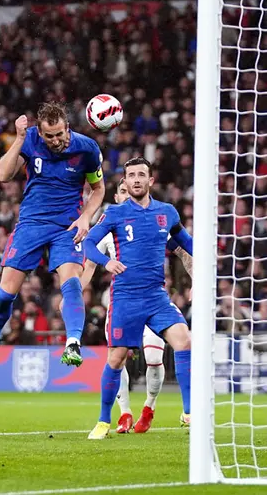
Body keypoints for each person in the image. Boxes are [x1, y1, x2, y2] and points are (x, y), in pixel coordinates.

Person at [0, 102, 105, 375]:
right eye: (49, 136)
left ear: (68, 127)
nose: (56, 141)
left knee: (72, 283)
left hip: (68, 226)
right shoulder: (29, 140)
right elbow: (4, 175)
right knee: (6, 293)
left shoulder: (87, 148)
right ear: (39, 133)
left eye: (60, 134)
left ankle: (74, 343)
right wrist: (19, 138)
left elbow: (99, 189)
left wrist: (85, 217)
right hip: (31, 224)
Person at [81, 157, 193, 440]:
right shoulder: (115, 213)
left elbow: (185, 242)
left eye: (141, 175)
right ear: (126, 182)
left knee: (184, 341)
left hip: (156, 297)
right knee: (117, 359)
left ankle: (190, 412)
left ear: (150, 180)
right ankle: (104, 420)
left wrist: (206, 255)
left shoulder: (167, 212)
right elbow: (88, 243)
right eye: (131, 175)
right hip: (126, 298)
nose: (136, 180)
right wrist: (106, 264)